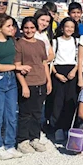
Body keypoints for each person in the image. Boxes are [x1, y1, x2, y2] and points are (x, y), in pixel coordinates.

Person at [0, 15, 28, 161]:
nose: (12, 29)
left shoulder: (11, 41)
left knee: (11, 115)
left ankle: (10, 144)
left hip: (11, 79)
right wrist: (16, 67)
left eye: (12, 26)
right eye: (8, 26)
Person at [14, 17, 51, 154]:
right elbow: (17, 66)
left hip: (40, 81)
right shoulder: (19, 43)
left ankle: (34, 137)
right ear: (22, 28)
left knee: (37, 112)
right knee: (25, 113)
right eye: (26, 28)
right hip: (27, 82)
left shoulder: (41, 43)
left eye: (32, 28)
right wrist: (23, 85)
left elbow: (44, 63)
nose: (29, 30)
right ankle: (22, 140)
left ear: (36, 28)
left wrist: (48, 81)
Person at [49, 17, 79, 142]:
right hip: (58, 71)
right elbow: (51, 60)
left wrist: (74, 71)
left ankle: (67, 127)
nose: (69, 29)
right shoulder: (55, 41)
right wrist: (56, 74)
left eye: (72, 27)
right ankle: (56, 128)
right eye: (67, 26)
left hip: (72, 71)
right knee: (57, 101)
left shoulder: (76, 41)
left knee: (70, 101)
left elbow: (79, 58)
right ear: (62, 28)